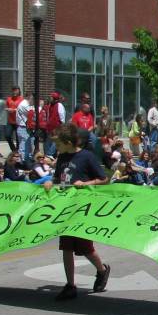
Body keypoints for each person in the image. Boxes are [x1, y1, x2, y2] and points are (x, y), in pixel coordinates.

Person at [44, 123, 110, 301]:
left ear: (68, 141)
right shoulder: (62, 157)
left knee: (85, 248)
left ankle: (102, 270)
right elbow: (59, 177)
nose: (56, 148)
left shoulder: (86, 157)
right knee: (66, 248)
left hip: (82, 208)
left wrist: (86, 184)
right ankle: (70, 285)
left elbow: (104, 179)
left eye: (58, 144)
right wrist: (51, 182)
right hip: (66, 208)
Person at [5, 86, 23, 153]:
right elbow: (6, 107)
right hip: (10, 121)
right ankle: (14, 150)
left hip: (18, 121)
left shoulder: (21, 100)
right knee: (7, 135)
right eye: (13, 90)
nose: (15, 92)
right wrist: (7, 109)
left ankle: (18, 151)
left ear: (19, 91)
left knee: (18, 137)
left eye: (16, 90)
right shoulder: (9, 99)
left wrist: (14, 110)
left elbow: (22, 109)